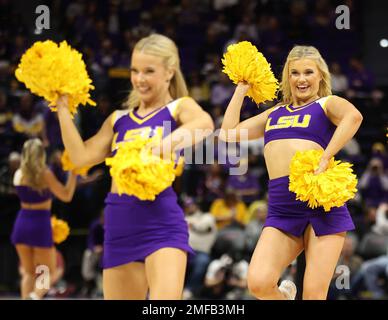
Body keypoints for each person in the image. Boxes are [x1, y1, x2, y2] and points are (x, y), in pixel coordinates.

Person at [55, 33, 214, 299]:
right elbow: (81, 157)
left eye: (149, 71)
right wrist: (61, 108)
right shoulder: (117, 120)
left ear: (169, 72)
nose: (139, 79)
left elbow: (204, 125)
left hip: (161, 223)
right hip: (119, 225)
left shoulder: (178, 108)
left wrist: (160, 146)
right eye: (135, 71)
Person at [220, 45, 363, 300]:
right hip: (282, 207)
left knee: (313, 294)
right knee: (258, 283)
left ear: (320, 75)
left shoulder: (326, 104)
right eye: (294, 73)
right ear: (287, 77)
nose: (301, 79)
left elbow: (354, 117)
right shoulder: (275, 112)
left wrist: (326, 156)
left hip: (321, 202)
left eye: (308, 72)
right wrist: (242, 87)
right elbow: (229, 133)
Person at [11, 138, 77, 299]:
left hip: (21, 223)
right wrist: (73, 173)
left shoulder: (18, 174)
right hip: (40, 223)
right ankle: (35, 296)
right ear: (41, 155)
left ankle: (29, 296)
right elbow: (67, 196)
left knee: (28, 272)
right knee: (48, 271)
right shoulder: (45, 174)